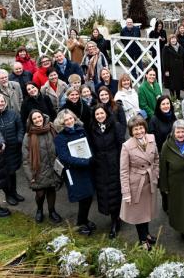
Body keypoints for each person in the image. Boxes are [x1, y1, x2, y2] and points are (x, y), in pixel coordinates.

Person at [120, 116, 159, 249]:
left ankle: (147, 234)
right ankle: (142, 240)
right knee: (138, 214)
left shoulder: (152, 139)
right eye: (135, 129)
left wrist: (156, 175)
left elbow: (156, 159)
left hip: (149, 183)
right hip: (136, 185)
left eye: (141, 128)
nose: (139, 131)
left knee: (146, 211)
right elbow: (124, 171)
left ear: (145, 128)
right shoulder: (126, 146)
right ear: (131, 131)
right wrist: (126, 192)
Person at [54, 109, 95, 235]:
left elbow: (89, 146)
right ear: (62, 122)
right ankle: (80, 223)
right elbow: (64, 157)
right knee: (83, 197)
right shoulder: (60, 138)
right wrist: (84, 162)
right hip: (74, 172)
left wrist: (91, 157)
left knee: (89, 196)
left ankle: (84, 219)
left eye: (71, 118)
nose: (69, 121)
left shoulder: (81, 130)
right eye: (66, 120)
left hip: (87, 169)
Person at [88, 104, 124, 238]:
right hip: (100, 165)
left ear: (106, 114)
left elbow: (121, 144)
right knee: (105, 193)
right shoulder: (92, 128)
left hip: (114, 163)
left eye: (101, 113)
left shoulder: (115, 126)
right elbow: (91, 146)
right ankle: (113, 217)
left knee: (115, 192)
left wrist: (120, 162)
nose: (100, 116)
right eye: (97, 114)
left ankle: (115, 221)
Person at [22, 110, 63, 223]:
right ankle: (39, 210)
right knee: (40, 194)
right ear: (31, 121)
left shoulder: (52, 129)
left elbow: (60, 146)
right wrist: (31, 176)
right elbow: (25, 159)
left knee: (51, 190)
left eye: (39, 117)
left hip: (53, 168)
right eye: (34, 119)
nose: (38, 120)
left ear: (43, 117)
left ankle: (52, 211)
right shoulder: (28, 136)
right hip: (37, 171)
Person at [159, 119, 184, 240]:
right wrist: (164, 187)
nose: (180, 135)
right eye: (177, 132)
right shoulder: (167, 145)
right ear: (173, 133)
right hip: (176, 184)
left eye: (182, 132)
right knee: (180, 208)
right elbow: (163, 168)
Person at [0, 93, 25, 206]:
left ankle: (14, 192)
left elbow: (20, 128)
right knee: (5, 174)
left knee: (12, 172)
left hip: (13, 149)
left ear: (5, 102)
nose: (0, 103)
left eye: (2, 101)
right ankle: (8, 194)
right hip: (0, 151)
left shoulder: (13, 113)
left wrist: (19, 140)